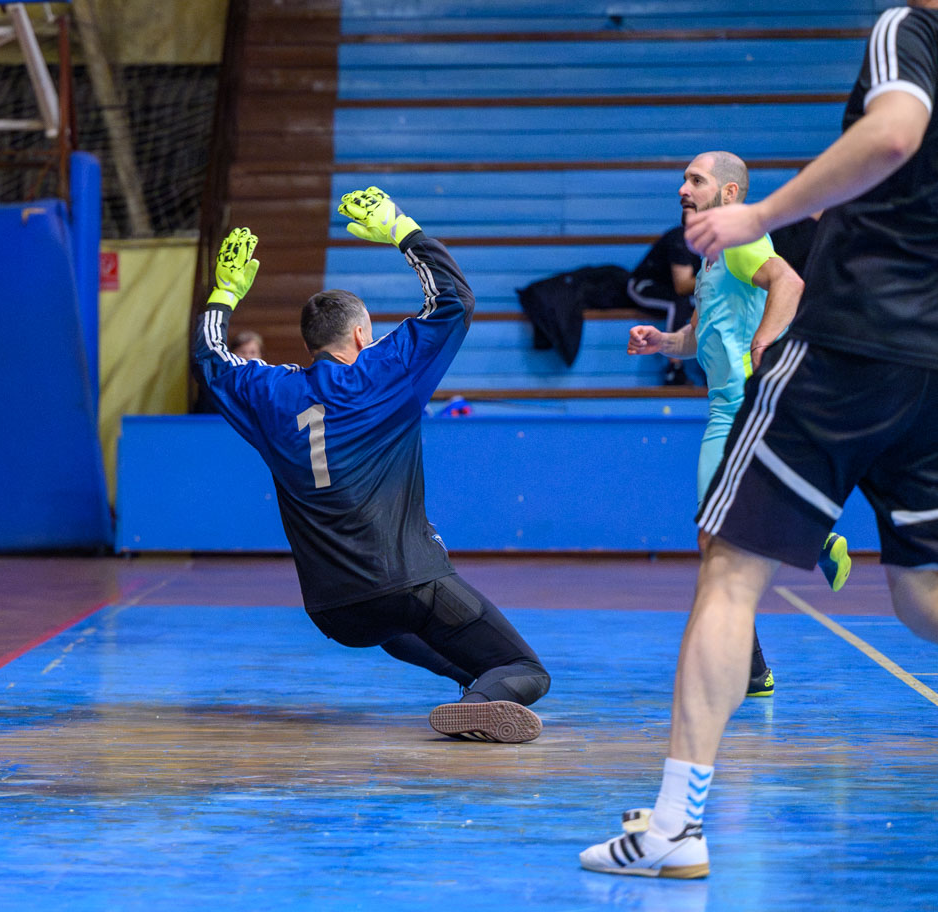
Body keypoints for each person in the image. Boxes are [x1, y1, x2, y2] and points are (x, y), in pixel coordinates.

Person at [581, 0, 938, 880]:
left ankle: (674, 827)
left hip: (849, 350)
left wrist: (758, 213)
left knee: (729, 572)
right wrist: (679, 344)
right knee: (920, 591)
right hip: (931, 370)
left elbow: (895, 132)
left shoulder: (908, 29)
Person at [192, 188, 550, 743]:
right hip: (409, 582)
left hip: (335, 611)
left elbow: (211, 359)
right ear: (361, 335)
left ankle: (473, 690)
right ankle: (485, 699)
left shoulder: (269, 394)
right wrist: (400, 228)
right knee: (526, 671)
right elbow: (454, 300)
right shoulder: (382, 371)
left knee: (396, 628)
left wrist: (224, 293)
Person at [626, 152, 851, 699]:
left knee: (715, 535)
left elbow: (788, 283)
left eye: (696, 180)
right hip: (722, 409)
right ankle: (814, 543)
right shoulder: (711, 257)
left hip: (744, 408)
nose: (683, 188)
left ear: (729, 194)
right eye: (683, 179)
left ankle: (748, 667)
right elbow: (698, 335)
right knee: (718, 537)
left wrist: (766, 338)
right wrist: (662, 341)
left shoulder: (741, 240)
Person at [626, 225, 699, 384]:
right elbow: (682, 286)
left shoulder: (725, 248)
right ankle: (675, 368)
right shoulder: (681, 239)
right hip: (645, 285)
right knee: (679, 302)